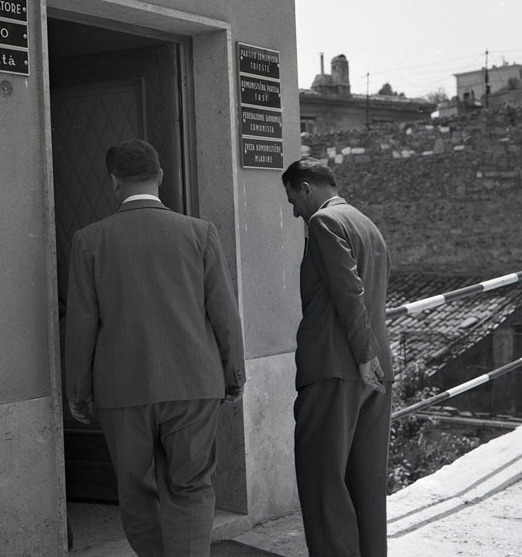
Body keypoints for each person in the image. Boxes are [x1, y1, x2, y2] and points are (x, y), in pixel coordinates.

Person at [64, 139, 245, 557]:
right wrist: (233, 374)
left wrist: (79, 391)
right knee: (192, 486)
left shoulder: (89, 240)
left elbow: (81, 326)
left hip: (123, 389)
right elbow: (224, 313)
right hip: (194, 383)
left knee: (136, 491)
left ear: (114, 182)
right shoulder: (200, 232)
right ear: (160, 176)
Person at [281, 158, 394, 557]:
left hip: (337, 366)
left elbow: (349, 292)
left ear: (306, 189)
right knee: (366, 483)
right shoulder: (367, 224)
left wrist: (362, 355)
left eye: (293, 200)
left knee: (322, 479)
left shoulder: (324, 222)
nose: (294, 211)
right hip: (376, 370)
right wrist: (370, 356)